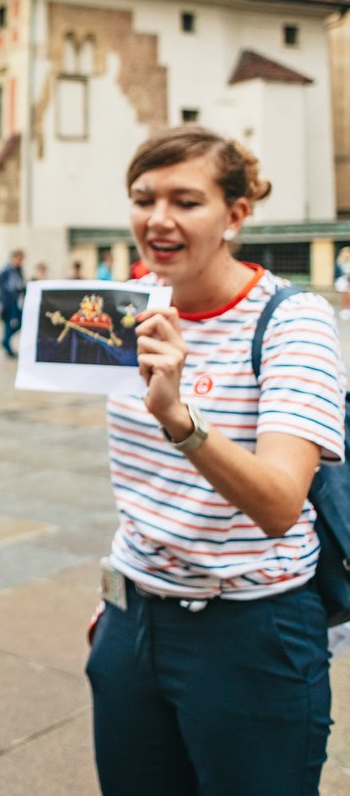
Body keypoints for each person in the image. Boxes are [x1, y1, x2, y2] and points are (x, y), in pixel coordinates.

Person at [87, 126, 345, 796]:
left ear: (236, 214)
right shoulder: (126, 309)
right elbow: (141, 479)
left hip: (252, 628)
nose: (158, 219)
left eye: (185, 200)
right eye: (143, 198)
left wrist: (180, 418)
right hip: (131, 618)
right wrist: (120, 595)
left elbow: (279, 502)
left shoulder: (294, 322)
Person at [0, 249, 26, 358]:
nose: (20, 261)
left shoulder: (18, 270)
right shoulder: (6, 271)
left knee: (20, 322)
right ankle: (7, 344)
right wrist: (4, 304)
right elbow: (4, 289)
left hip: (16, 301)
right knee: (9, 324)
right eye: (19, 258)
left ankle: (5, 340)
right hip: (8, 302)